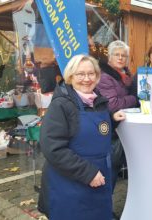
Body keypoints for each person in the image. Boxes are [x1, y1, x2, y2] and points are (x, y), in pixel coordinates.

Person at [38, 54, 126, 220]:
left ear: (97, 76)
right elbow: (53, 148)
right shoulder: (61, 105)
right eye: (80, 74)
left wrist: (112, 120)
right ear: (70, 77)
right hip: (70, 186)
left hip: (98, 182)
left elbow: (97, 130)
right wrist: (88, 173)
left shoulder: (98, 101)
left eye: (91, 73)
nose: (87, 79)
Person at [95, 40, 137, 193]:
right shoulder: (105, 77)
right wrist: (134, 98)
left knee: (115, 166)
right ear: (110, 58)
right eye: (117, 55)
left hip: (120, 128)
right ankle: (104, 209)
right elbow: (113, 105)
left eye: (124, 56)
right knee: (110, 169)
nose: (120, 58)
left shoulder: (124, 75)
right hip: (110, 129)